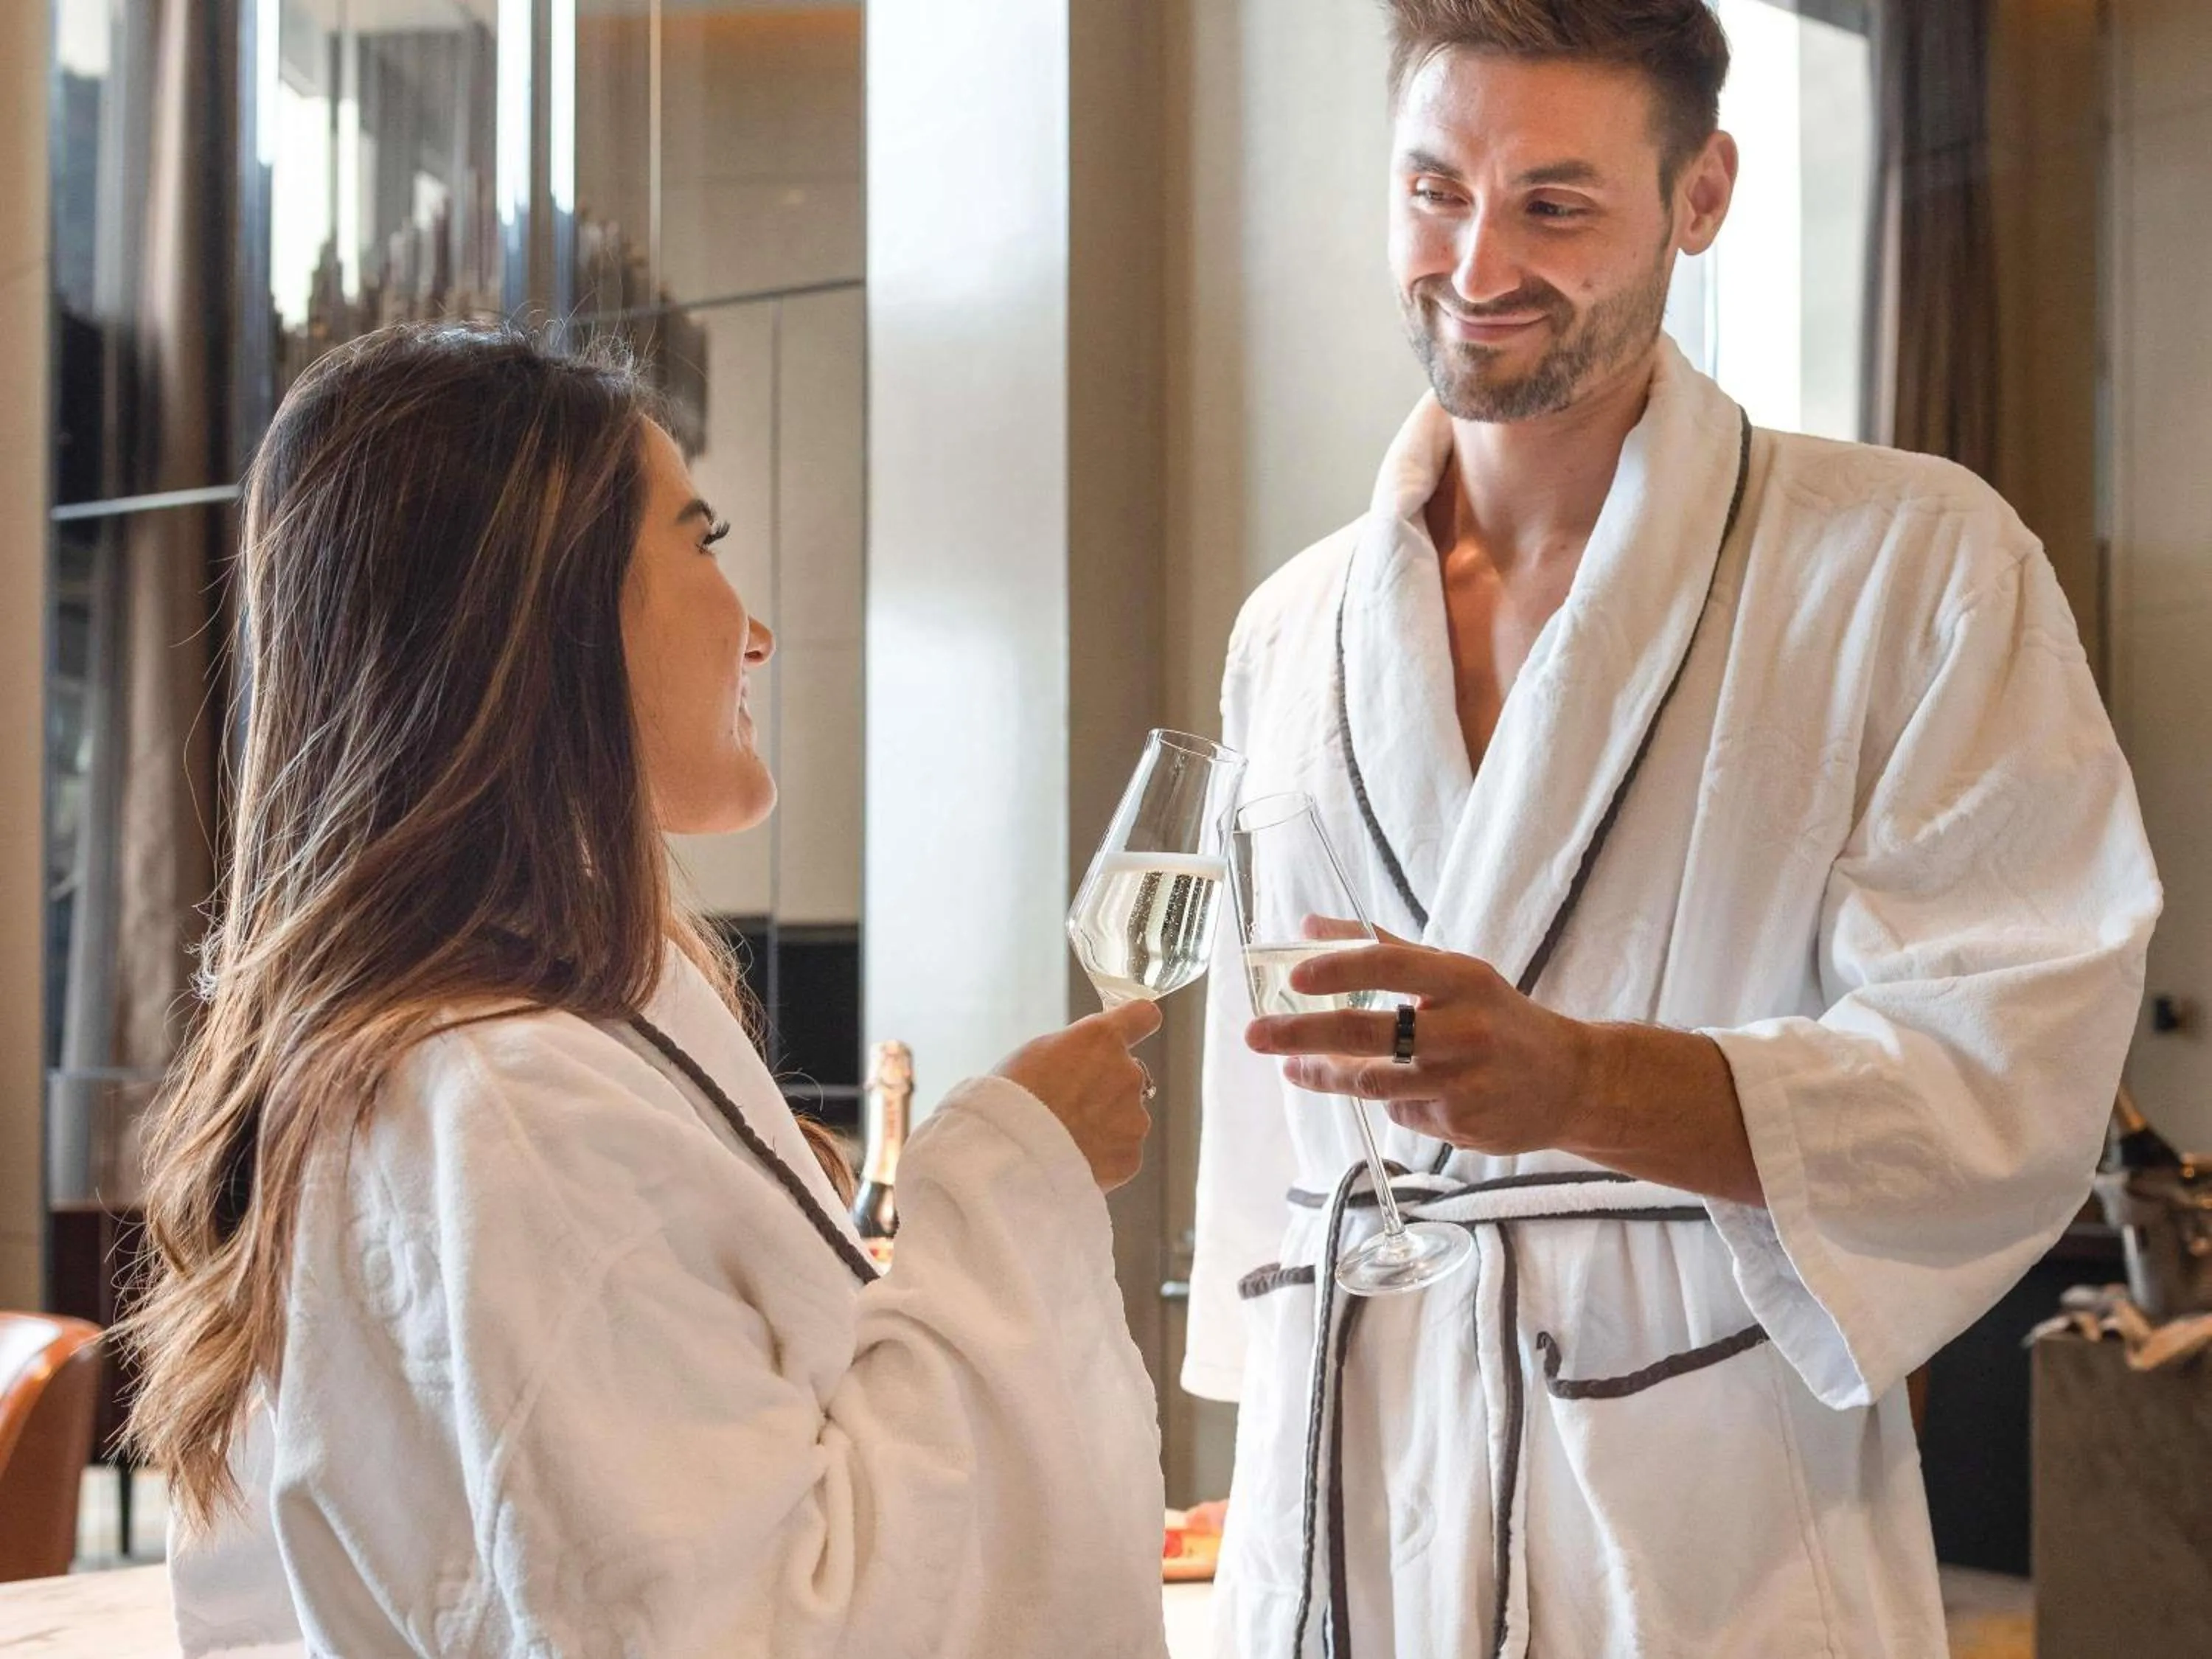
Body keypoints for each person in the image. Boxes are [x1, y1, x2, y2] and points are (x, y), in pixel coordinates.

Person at [1185, 2, 2160, 1655]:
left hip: (1705, 1521)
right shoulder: (1295, 629)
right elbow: (1266, 1144)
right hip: (1347, 1496)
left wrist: (1579, 1082)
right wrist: (1255, 1430)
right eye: (1434, 189)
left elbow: (2007, 1074)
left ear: (1699, 196)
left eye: (1554, 205)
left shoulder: (1913, 567)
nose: (1476, 259)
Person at [126, 323, 1173, 1657]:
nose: (759, 630)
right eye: (704, 537)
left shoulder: (517, 1043)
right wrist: (1013, 1167)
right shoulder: (506, 1096)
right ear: (548, 610)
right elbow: (748, 1624)